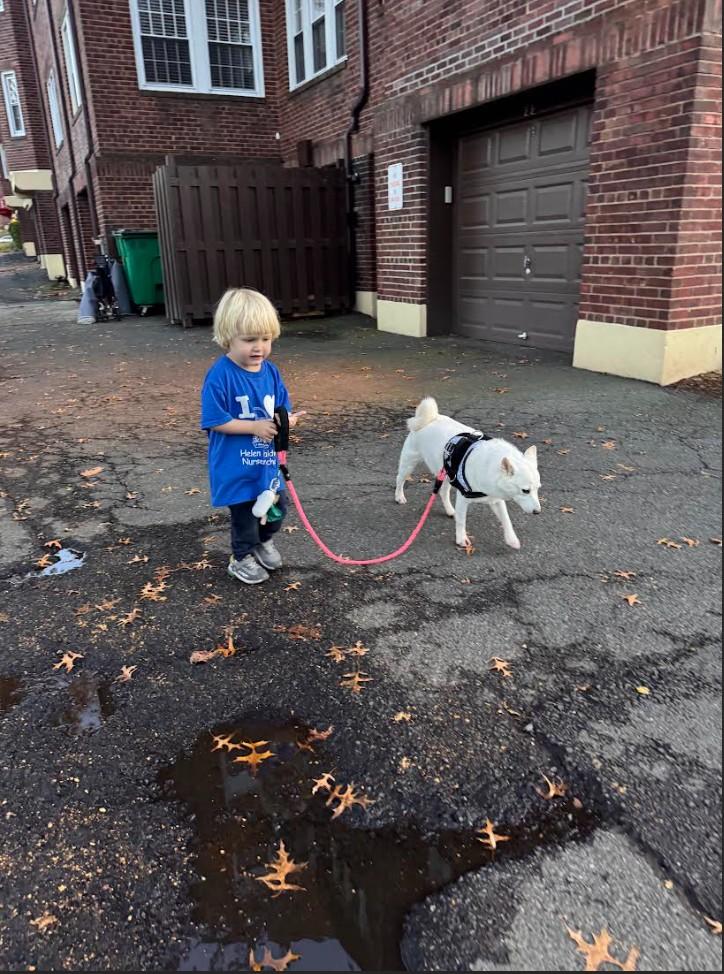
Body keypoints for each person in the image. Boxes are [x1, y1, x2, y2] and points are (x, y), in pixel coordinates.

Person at [200, 288, 304, 584]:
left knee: (277, 506)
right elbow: (214, 420)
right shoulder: (221, 375)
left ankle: (263, 540)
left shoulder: (270, 372)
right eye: (249, 340)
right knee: (245, 513)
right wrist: (254, 426)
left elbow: (281, 406)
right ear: (227, 336)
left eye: (265, 339)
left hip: (266, 461)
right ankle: (241, 556)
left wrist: (287, 420)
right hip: (236, 464)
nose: (259, 347)